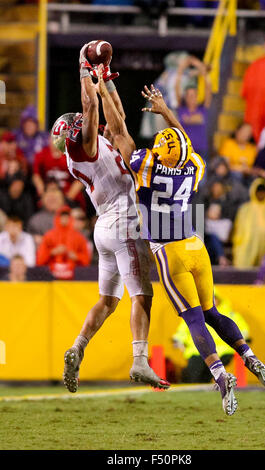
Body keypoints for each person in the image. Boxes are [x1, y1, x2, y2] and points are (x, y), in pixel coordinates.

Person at [109, 84, 265, 415]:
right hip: (196, 246)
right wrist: (167, 111)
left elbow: (121, 136)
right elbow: (182, 141)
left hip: (170, 253)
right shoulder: (193, 165)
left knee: (194, 319)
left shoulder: (147, 164)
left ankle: (220, 375)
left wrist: (107, 96)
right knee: (212, 311)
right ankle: (251, 358)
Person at [52, 44, 169, 393]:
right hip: (123, 218)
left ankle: (77, 347)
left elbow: (116, 119)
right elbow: (91, 108)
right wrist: (85, 70)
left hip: (104, 226)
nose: (80, 119)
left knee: (108, 300)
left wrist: (106, 82)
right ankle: (139, 361)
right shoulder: (84, 148)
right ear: (72, 135)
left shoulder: (89, 149)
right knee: (142, 294)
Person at [173, 289, 250, 384]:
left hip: (223, 349)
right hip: (197, 349)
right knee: (195, 370)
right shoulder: (195, 315)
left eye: (213, 298)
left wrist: (239, 342)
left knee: (209, 369)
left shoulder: (231, 315)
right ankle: (194, 387)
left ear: (219, 299)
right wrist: (179, 341)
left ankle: (202, 386)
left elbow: (243, 331)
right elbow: (182, 332)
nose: (211, 301)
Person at [36, 205, 91, 280]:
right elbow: (39, 260)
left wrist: (76, 256)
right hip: (51, 276)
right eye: (62, 216)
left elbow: (86, 261)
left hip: (73, 277)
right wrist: (52, 252)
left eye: (67, 217)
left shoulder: (79, 238)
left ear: (70, 218)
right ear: (57, 218)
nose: (64, 219)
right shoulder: (48, 236)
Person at [232, 179, 265, 268]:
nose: (260, 194)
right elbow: (239, 229)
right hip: (247, 245)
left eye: (263, 191)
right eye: (258, 191)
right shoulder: (245, 208)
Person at [175, 55, 212, 158]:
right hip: (185, 150)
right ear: (185, 97)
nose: (192, 98)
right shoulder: (181, 109)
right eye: (189, 95)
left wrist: (201, 68)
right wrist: (181, 70)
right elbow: (176, 87)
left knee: (203, 173)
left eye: (194, 95)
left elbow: (208, 88)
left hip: (201, 149)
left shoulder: (202, 109)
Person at [32, 137, 85, 209]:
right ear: (49, 140)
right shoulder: (41, 155)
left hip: (68, 193)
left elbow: (80, 179)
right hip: (48, 192)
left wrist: (68, 198)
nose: (56, 141)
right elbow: (36, 176)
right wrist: (43, 194)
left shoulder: (71, 155)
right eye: (54, 138)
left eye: (59, 138)